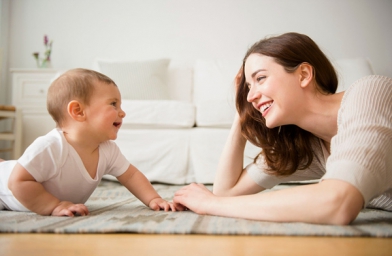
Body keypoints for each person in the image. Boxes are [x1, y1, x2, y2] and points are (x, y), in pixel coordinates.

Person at [173, 32, 392, 225]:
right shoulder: (307, 145)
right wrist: (241, 115)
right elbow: (226, 192)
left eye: (260, 78)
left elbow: (338, 202)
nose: (250, 96)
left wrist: (211, 205)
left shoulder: (371, 94)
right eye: (248, 87)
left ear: (304, 74)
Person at [0, 68, 176, 216]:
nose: (122, 113)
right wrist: (55, 206)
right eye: (113, 104)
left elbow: (131, 176)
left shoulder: (108, 150)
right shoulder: (52, 147)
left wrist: (153, 199)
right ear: (78, 111)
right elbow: (17, 182)